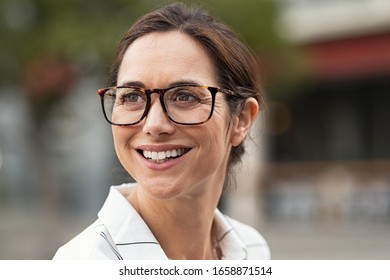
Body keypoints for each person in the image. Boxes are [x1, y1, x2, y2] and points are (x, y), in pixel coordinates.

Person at [53, 2, 270, 260]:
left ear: (241, 120)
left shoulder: (252, 250)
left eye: (185, 96)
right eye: (132, 97)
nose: (154, 125)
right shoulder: (85, 264)